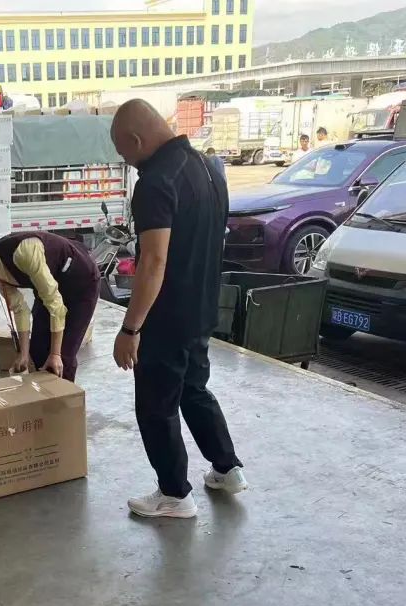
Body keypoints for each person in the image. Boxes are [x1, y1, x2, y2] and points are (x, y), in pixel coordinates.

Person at [109, 99, 246, 520]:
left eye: (123, 151)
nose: (126, 161)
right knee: (194, 390)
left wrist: (130, 329)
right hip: (202, 308)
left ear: (137, 139)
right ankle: (227, 469)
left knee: (157, 406)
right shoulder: (208, 167)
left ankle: (174, 494)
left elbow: (153, 261)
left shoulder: (156, 182)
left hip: (165, 317)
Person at [0, 231, 99, 382]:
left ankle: (65, 396)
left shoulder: (24, 253)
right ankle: (46, 393)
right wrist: (24, 354)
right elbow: (19, 309)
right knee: (37, 350)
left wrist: (55, 354)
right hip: (50, 286)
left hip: (81, 283)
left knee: (62, 357)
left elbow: (55, 305)